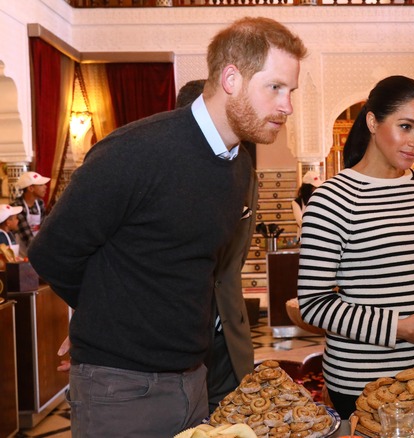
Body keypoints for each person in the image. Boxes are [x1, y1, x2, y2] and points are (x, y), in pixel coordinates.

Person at [27, 17, 307, 437]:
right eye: (276, 88)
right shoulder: (134, 152)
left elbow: (200, 271)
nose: (287, 105)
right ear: (231, 78)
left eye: (292, 92)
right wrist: (108, 319)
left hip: (193, 380)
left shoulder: (237, 167)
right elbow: (52, 252)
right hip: (119, 389)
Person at [296, 75, 414, 420]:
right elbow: (313, 305)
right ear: (373, 121)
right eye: (406, 126)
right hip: (367, 379)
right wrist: (400, 328)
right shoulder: (333, 199)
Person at [175, 78, 259, 414]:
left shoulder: (244, 172)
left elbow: (231, 262)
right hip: (170, 343)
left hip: (227, 335)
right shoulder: (154, 172)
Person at [12, 171, 50, 257]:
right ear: (31, 188)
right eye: (41, 185)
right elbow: (27, 236)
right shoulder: (18, 206)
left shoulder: (40, 203)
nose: (45, 187)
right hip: (23, 251)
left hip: (38, 247)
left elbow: (44, 227)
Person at [291, 170, 322, 240]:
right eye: (314, 188)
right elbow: (301, 223)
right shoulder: (296, 203)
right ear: (308, 188)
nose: (317, 190)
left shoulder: (319, 200)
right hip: (305, 239)